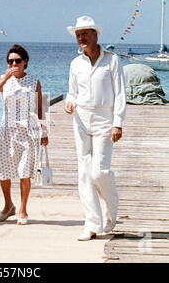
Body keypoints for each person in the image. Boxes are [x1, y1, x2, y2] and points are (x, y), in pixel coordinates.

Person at [65, 16, 126, 240]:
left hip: (104, 119)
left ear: (95, 35)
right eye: (78, 35)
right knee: (84, 173)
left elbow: (120, 93)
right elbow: (72, 91)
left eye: (85, 34)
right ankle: (92, 224)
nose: (81, 38)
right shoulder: (75, 64)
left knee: (99, 170)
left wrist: (117, 123)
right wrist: (69, 102)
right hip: (81, 119)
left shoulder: (112, 60)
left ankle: (112, 206)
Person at [0, 44, 48, 225]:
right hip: (8, 131)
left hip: (28, 131)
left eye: (17, 61)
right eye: (10, 61)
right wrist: (5, 77)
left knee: (24, 171)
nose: (14, 64)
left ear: (25, 61)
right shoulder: (4, 79)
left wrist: (44, 131)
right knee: (4, 170)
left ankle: (22, 208)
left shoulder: (34, 80)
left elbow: (40, 108)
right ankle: (8, 206)